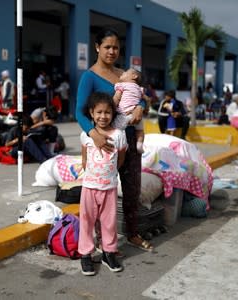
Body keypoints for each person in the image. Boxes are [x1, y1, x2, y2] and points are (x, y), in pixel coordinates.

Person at [76, 27, 153, 252]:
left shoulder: (125, 74)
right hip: (103, 143)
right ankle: (102, 239)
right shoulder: (89, 77)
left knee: (132, 188)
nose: (111, 51)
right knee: (103, 191)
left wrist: (140, 107)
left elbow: (139, 97)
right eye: (107, 47)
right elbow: (79, 112)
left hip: (127, 137)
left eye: (116, 48)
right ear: (97, 47)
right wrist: (94, 135)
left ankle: (132, 233)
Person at [78, 92, 126, 276]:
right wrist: (93, 176)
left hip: (109, 188)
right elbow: (84, 160)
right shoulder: (86, 135)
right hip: (89, 187)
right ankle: (85, 254)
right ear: (91, 113)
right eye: (98, 112)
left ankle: (109, 252)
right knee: (87, 221)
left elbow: (120, 159)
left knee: (109, 223)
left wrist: (109, 176)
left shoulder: (119, 135)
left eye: (107, 112)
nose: (103, 116)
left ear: (113, 114)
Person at [112, 67, 145, 153]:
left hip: (123, 114)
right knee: (140, 131)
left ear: (134, 76)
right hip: (136, 115)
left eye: (125, 72)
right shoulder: (140, 89)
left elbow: (116, 98)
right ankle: (139, 144)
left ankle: (124, 144)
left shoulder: (122, 85)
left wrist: (112, 108)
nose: (122, 74)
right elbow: (144, 99)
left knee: (118, 131)